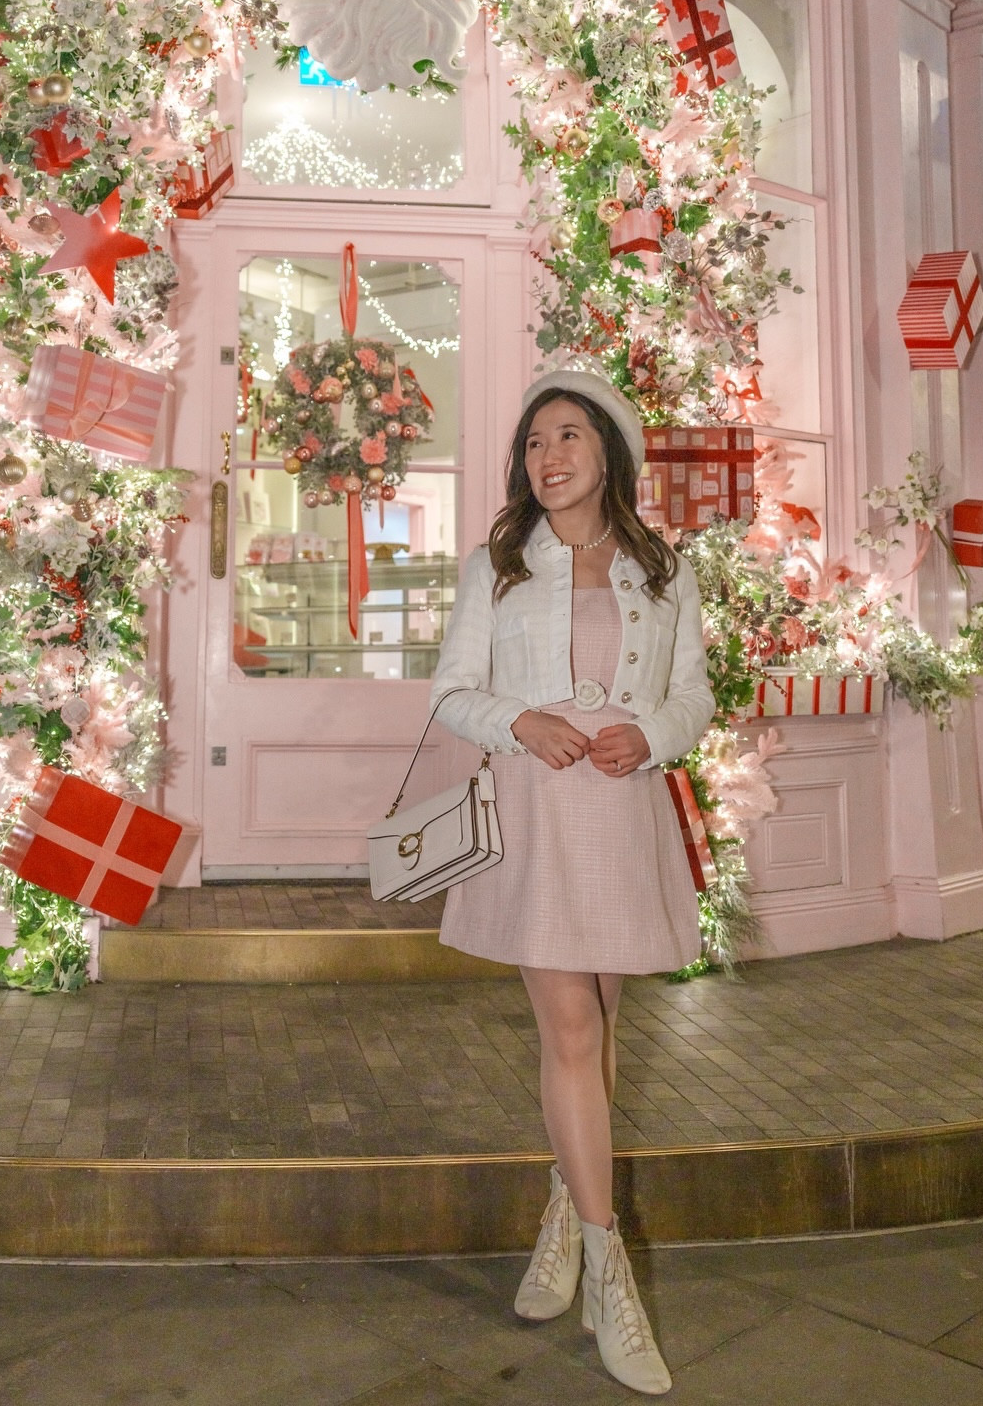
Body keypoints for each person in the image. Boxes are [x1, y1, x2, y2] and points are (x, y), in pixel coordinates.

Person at [429, 370, 714, 1396]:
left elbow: (693, 693)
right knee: (572, 1033)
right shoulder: (499, 564)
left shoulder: (660, 565)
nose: (548, 458)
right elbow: (452, 691)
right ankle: (609, 1270)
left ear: (608, 455)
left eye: (569, 438)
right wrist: (522, 720)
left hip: (621, 804)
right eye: (535, 443)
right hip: (538, 808)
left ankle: (562, 1221)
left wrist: (653, 738)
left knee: (602, 1018)